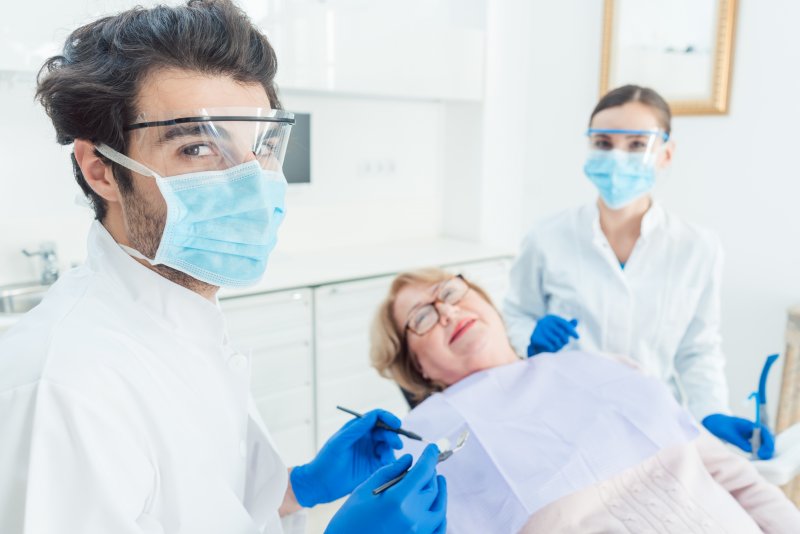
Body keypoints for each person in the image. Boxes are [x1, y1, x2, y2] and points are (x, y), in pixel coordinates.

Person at [0, 2, 446, 533]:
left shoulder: (183, 316)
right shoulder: (64, 388)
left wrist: (297, 487)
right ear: (100, 171)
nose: (251, 182)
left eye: (260, 147)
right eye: (196, 148)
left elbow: (195, 508)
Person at [370, 268, 800, 533]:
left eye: (449, 292)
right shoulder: (428, 445)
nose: (446, 312)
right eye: (421, 317)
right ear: (417, 367)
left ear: (484, 300)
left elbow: (738, 479)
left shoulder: (607, 367)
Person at [501, 85, 772, 459]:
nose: (617, 157)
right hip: (562, 424)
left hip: (657, 427)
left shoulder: (697, 246)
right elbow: (516, 313)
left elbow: (698, 349)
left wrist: (711, 413)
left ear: (666, 153)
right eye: (604, 143)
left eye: (636, 145)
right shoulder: (547, 236)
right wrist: (531, 335)